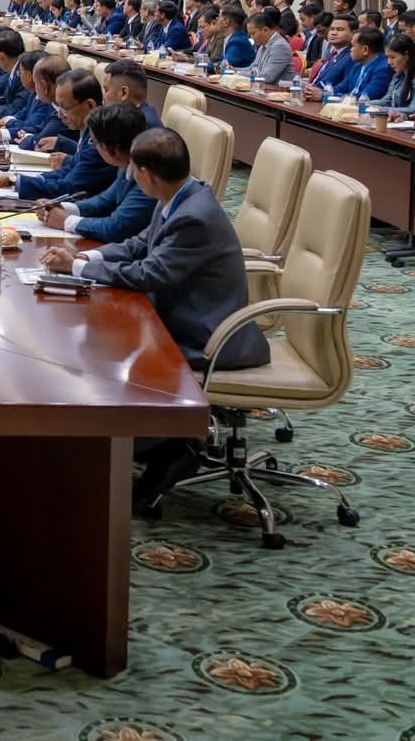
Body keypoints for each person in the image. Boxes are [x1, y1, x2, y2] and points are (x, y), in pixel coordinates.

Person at [41, 126, 269, 510]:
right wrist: (85, 258)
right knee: (99, 337)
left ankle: (169, 446)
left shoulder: (193, 216)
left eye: (135, 171)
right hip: (185, 314)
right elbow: (139, 245)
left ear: (146, 173)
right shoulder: (181, 195)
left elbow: (150, 273)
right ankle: (151, 442)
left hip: (207, 335)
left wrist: (78, 269)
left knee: (103, 349)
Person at [36, 102, 155, 244]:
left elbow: (115, 228)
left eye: (93, 142)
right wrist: (64, 207)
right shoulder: (126, 162)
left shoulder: (148, 178)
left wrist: (66, 221)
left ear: (112, 150)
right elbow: (105, 200)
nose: (93, 147)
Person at [0, 71, 107, 198]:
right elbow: (65, 172)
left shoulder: (100, 141)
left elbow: (67, 188)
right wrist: (17, 179)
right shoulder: (87, 131)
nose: (60, 115)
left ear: (89, 105)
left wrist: (14, 181)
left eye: (65, 108)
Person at [319, 26, 389, 102]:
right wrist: (323, 92)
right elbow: (341, 87)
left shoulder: (383, 69)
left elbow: (363, 98)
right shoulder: (357, 65)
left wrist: (325, 96)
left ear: (365, 50)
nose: (350, 50)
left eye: (352, 46)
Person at [243, 8, 294, 84]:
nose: (251, 37)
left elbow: (267, 77)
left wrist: (240, 75)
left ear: (265, 30)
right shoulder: (263, 45)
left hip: (277, 89)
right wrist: (235, 71)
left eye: (253, 33)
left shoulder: (280, 46)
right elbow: (253, 68)